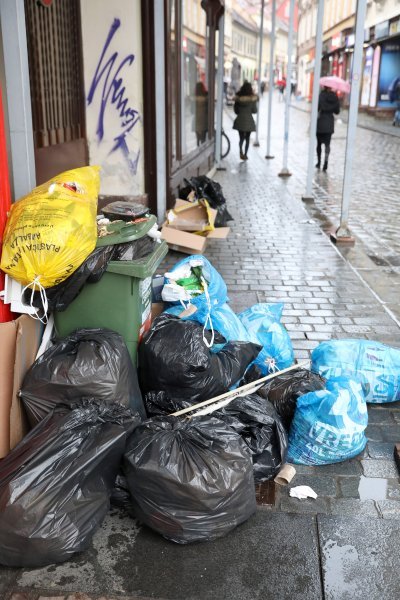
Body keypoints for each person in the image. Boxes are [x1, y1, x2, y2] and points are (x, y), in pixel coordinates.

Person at [316, 86, 340, 171]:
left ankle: (318, 162)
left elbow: (317, 108)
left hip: (320, 122)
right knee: (327, 144)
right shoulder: (335, 96)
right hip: (329, 123)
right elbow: (337, 111)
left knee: (319, 144)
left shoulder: (321, 95)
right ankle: (325, 163)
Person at [233, 81, 258, 161]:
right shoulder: (252, 99)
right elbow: (254, 111)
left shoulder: (238, 98)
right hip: (249, 121)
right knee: (247, 138)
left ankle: (240, 151)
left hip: (240, 120)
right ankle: (245, 154)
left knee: (241, 138)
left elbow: (236, 111)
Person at [192, 81, 208, 146]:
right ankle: (203, 149)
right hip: (204, 120)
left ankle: (198, 147)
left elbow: (191, 111)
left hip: (197, 120)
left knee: (198, 139)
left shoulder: (194, 97)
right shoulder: (207, 95)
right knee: (203, 139)